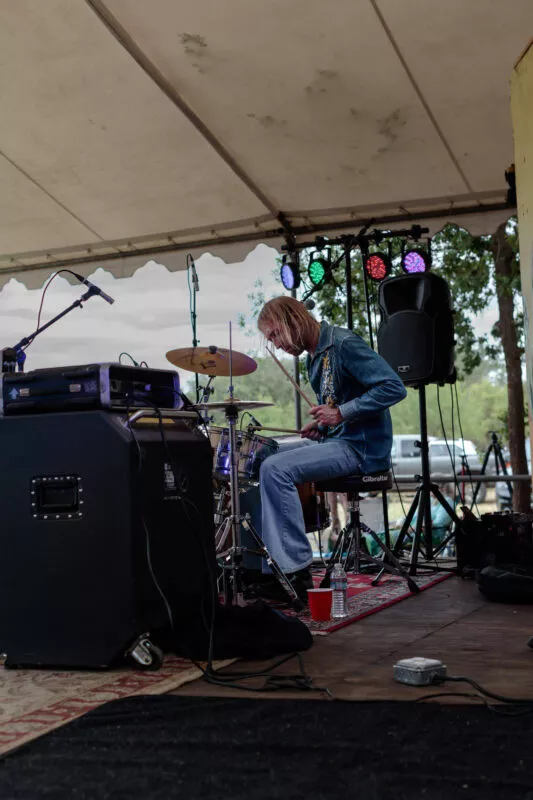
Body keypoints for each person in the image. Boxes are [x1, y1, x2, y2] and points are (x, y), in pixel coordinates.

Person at [250, 295, 407, 604]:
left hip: (361, 448)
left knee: (276, 468)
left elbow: (393, 387)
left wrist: (341, 414)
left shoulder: (343, 344)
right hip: (339, 440)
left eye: (274, 336)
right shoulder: (314, 355)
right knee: (261, 458)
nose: (276, 345)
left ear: (289, 321)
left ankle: (297, 573)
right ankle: (271, 571)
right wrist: (321, 426)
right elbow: (334, 405)